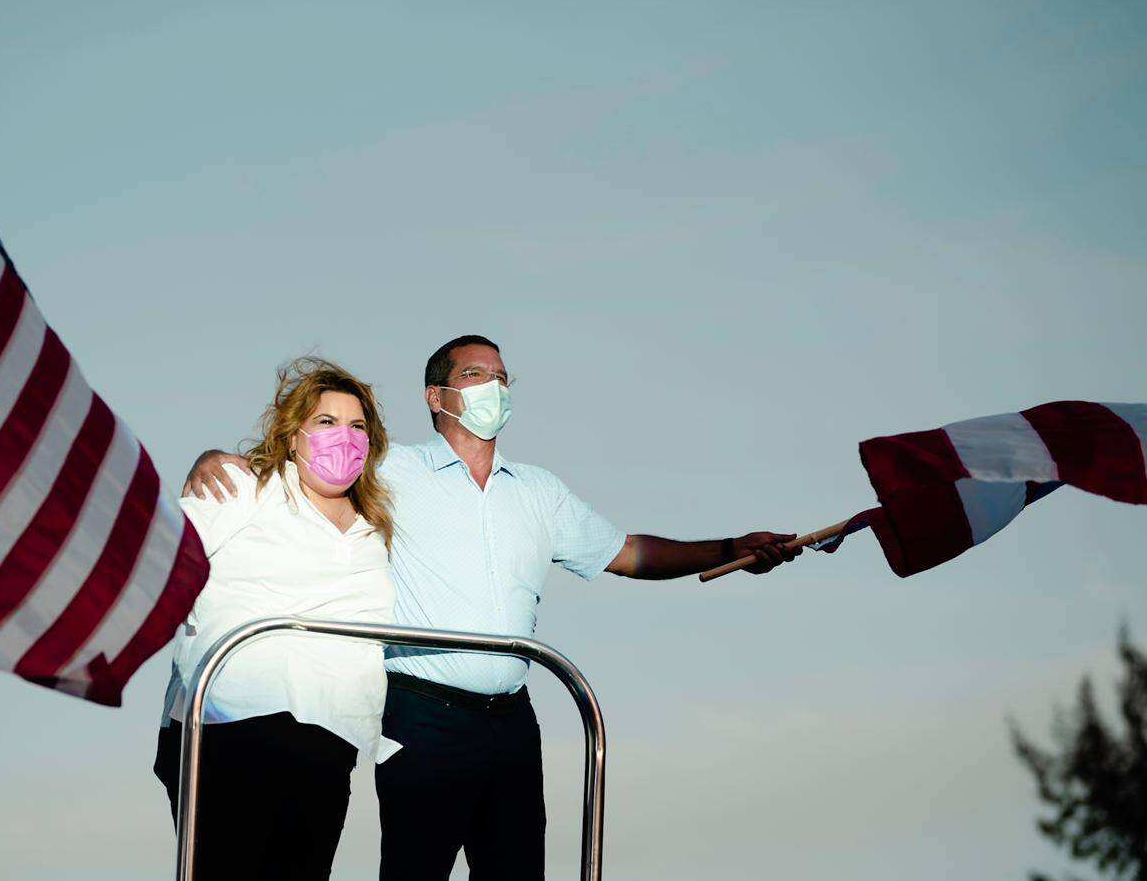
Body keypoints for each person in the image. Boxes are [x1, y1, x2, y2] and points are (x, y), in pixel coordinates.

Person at [183, 335, 802, 881]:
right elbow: (309, 455)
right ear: (436, 397)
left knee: (515, 868)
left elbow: (629, 552)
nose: (494, 387)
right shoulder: (387, 469)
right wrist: (214, 458)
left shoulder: (539, 491)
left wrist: (728, 547)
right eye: (476, 376)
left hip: (512, 722)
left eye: (502, 377)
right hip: (420, 712)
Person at [155, 356, 399, 880]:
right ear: (293, 436)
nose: (345, 437)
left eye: (357, 426)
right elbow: (163, 552)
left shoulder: (374, 531)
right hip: (232, 730)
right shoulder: (246, 488)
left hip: (330, 739)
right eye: (327, 422)